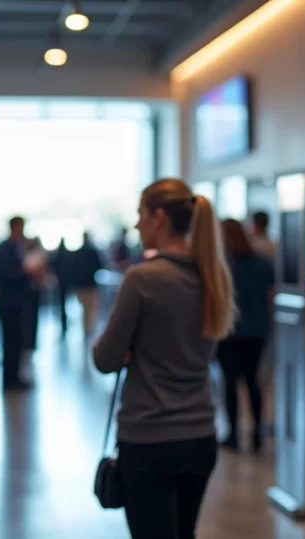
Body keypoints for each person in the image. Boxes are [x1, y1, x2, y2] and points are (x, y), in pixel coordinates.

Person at [94, 179, 235, 539]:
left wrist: (129, 349)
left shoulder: (142, 278)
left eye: (140, 215)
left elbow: (105, 358)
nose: (138, 225)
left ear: (159, 217)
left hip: (149, 435)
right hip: (202, 434)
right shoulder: (213, 276)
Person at [217, 219, 274, 454]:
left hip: (230, 331)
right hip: (257, 331)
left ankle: (233, 434)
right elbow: (271, 296)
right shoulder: (263, 263)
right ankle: (257, 434)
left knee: (230, 383)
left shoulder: (223, 267)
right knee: (252, 382)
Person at [0, 216, 33, 390]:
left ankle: (14, 377)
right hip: (8, 302)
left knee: (16, 341)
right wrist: (26, 271)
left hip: (15, 301)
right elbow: (8, 274)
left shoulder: (15, 247)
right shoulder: (5, 248)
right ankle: (10, 379)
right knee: (10, 341)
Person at [72, 232, 104, 341]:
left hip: (81, 285)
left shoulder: (78, 252)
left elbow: (73, 269)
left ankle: (86, 329)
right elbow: (99, 265)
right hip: (90, 284)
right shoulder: (92, 251)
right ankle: (88, 329)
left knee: (85, 309)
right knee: (90, 309)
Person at [51, 238, 72, 335]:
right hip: (65, 282)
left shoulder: (58, 254)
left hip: (60, 283)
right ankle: (64, 322)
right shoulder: (67, 255)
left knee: (62, 304)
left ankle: (64, 322)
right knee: (64, 304)